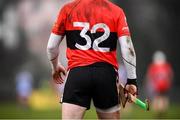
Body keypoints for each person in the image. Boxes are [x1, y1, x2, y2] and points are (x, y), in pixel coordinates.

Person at [47, 0, 138, 119]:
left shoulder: (68, 9)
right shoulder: (117, 11)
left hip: (77, 74)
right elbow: (127, 48)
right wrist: (132, 81)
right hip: (106, 75)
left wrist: (55, 67)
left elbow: (51, 47)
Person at [146, 51, 173, 115]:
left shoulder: (153, 67)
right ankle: (162, 111)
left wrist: (149, 85)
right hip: (165, 85)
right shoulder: (166, 66)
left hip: (157, 86)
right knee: (164, 98)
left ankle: (159, 112)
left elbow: (149, 77)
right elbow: (170, 75)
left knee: (157, 98)